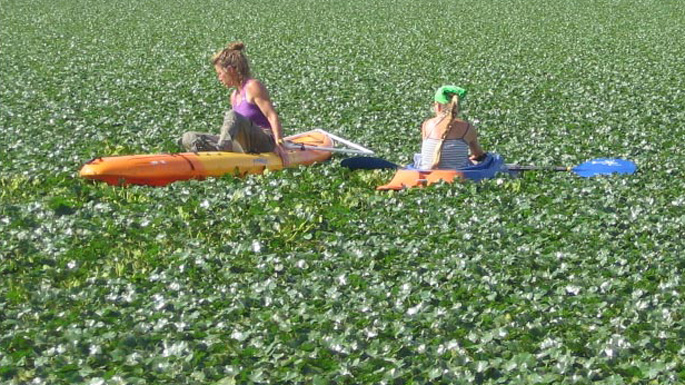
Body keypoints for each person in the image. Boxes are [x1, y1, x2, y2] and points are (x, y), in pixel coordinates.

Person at [179, 42, 288, 164]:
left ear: (230, 70)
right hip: (241, 145)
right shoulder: (234, 96)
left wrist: (279, 143)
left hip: (264, 141)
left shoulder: (253, 86)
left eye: (220, 73)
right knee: (189, 137)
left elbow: (271, 116)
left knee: (232, 115)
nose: (219, 78)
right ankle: (206, 158)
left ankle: (221, 152)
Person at [417, 85, 486, 169]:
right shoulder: (467, 128)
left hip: (427, 176)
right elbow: (478, 154)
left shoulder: (426, 125)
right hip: (456, 178)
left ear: (438, 106)